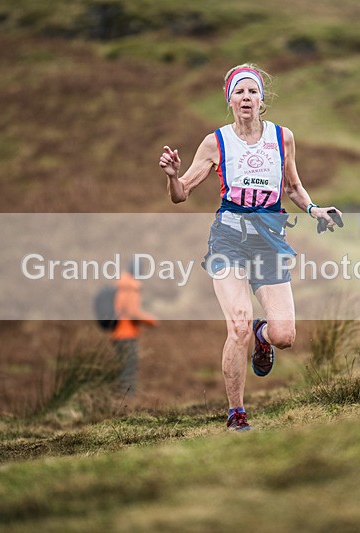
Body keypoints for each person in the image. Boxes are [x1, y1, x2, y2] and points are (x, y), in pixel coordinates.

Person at [158, 63, 341, 431]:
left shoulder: (282, 137)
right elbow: (181, 196)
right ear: (230, 99)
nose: (246, 97)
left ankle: (263, 335)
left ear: (262, 99)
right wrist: (173, 177)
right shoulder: (216, 142)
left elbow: (292, 187)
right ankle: (236, 415)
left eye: (252, 91)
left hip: (270, 241)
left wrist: (314, 209)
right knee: (237, 325)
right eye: (239, 92)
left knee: (284, 336)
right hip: (228, 239)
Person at [110, 260, 158, 396]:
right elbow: (132, 313)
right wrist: (151, 321)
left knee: (121, 367)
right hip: (126, 335)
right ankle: (126, 400)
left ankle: (119, 397)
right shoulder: (130, 287)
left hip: (117, 333)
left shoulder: (121, 285)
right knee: (128, 369)